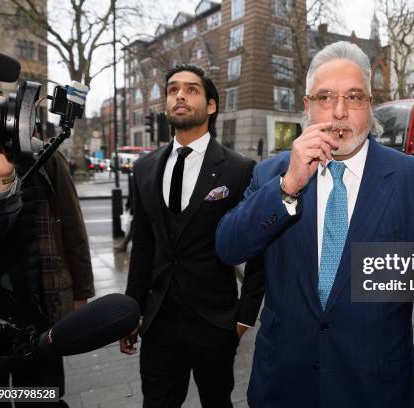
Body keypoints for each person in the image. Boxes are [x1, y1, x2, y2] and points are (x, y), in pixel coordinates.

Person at [216, 41, 414, 408]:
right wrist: (288, 187)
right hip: (283, 388)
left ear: (370, 104)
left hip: (377, 391)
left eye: (354, 97)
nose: (339, 112)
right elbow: (228, 247)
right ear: (307, 106)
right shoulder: (271, 174)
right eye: (325, 97)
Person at [121, 64, 264, 408]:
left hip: (214, 323)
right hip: (157, 324)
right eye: (172, 89)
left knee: (217, 402)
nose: (180, 95)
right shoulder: (144, 168)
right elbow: (143, 246)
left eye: (191, 89)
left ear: (211, 105)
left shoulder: (238, 168)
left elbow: (258, 251)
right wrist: (131, 312)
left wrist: (243, 318)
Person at [0, 80, 95, 407]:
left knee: (39, 397)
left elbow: (72, 228)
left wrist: (81, 295)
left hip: (37, 314)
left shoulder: (44, 156)